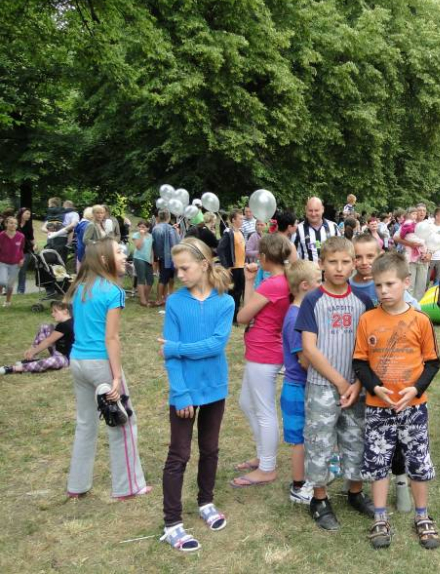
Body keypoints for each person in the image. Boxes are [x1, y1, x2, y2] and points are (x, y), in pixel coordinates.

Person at [353, 252, 440, 550]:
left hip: (413, 407)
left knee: (417, 460)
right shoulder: (367, 320)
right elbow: (360, 363)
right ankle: (380, 517)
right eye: (378, 286)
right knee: (378, 461)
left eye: (390, 284)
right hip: (379, 408)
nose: (384, 291)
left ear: (406, 282)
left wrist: (415, 390)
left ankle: (422, 515)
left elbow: (432, 363)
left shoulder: (421, 320)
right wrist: (375, 389)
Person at [157, 238, 234, 552]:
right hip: (185, 392)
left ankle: (206, 502)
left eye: (185, 268)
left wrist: (175, 347)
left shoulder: (224, 302)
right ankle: (172, 522)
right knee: (179, 455)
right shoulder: (175, 303)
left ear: (204, 265)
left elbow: (216, 345)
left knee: (210, 448)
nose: (180, 274)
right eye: (177, 268)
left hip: (215, 388)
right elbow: (172, 361)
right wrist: (181, 393)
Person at [295, 236, 375, 530]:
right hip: (322, 385)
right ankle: (319, 498)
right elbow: (309, 349)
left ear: (354, 264)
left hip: (356, 386)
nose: (339, 268)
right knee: (320, 440)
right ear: (321, 264)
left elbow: (368, 345)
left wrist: (355, 382)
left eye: (345, 262)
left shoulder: (363, 301)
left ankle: (355, 491)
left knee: (355, 437)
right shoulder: (313, 301)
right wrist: (340, 382)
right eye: (333, 262)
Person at [64, 237, 149, 500]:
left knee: (85, 423)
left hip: (77, 362)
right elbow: (111, 338)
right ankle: (128, 487)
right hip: (101, 365)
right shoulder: (113, 291)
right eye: (119, 252)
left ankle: (76, 486)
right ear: (104, 259)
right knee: (123, 422)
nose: (124, 256)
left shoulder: (81, 287)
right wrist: (116, 377)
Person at [350, 232, 419, 513]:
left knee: (398, 434)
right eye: (359, 256)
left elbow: (413, 319)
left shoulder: (399, 293)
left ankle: (401, 481)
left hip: (393, 377)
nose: (364, 262)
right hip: (361, 371)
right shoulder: (348, 287)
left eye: (371, 256)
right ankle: (362, 483)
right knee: (365, 432)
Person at [232, 235, 292, 487]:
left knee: (265, 411)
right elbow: (252, 308)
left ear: (265, 258)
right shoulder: (281, 281)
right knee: (247, 403)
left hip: (265, 353)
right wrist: (248, 280)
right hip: (261, 351)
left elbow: (243, 315)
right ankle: (263, 456)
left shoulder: (273, 284)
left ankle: (267, 467)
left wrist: (251, 288)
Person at [280, 260, 321, 504]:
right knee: (299, 440)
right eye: (319, 282)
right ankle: (298, 485)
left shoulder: (301, 312)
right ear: (305, 286)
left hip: (302, 387)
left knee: (308, 435)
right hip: (297, 388)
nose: (322, 286)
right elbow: (304, 359)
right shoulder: (296, 318)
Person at [0, 301, 74, 375]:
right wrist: (33, 350)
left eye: (55, 311)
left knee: (54, 361)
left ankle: (16, 368)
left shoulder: (65, 325)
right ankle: (32, 357)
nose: (52, 314)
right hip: (58, 351)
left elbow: (48, 341)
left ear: (65, 311)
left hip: (67, 358)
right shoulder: (68, 322)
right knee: (45, 326)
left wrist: (33, 352)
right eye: (52, 311)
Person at [395, 206, 430, 301]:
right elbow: (396, 237)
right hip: (410, 259)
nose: (422, 213)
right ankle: (409, 308)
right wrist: (410, 244)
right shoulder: (408, 224)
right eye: (419, 211)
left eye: (424, 211)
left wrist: (429, 254)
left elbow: (433, 242)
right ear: (414, 213)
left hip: (424, 259)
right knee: (409, 285)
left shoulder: (428, 224)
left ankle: (419, 310)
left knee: (421, 287)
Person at [216, 209, 245, 323]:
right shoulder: (229, 233)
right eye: (240, 218)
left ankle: (235, 316)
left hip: (241, 267)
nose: (242, 220)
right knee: (231, 293)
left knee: (239, 292)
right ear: (233, 220)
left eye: (242, 218)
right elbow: (220, 249)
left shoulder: (241, 233)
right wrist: (226, 266)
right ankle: (229, 317)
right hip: (233, 268)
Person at [293, 197, 339, 262]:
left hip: (329, 271)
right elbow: (292, 254)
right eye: (310, 210)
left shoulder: (333, 227)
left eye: (316, 210)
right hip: (307, 271)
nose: (313, 214)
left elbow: (341, 250)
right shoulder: (298, 229)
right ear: (306, 210)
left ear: (322, 209)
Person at [152, 209, 181, 308]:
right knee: (166, 278)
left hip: (159, 256)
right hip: (169, 257)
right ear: (168, 217)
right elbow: (176, 243)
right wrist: (177, 232)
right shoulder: (170, 228)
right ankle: (160, 299)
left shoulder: (155, 228)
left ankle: (165, 297)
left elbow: (154, 244)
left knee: (164, 278)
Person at [0, 216, 25, 308]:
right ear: (6, 224)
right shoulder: (1, 235)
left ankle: (7, 302)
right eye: (11, 223)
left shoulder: (21, 236)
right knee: (2, 281)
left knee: (10, 284)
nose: (13, 225)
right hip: (2, 262)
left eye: (15, 223)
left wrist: (22, 259)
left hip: (15, 263)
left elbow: (21, 249)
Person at [132, 221, 155, 307]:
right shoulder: (136, 235)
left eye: (144, 227)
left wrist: (152, 258)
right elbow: (138, 246)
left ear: (148, 228)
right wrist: (141, 235)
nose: (142, 228)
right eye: (140, 227)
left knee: (150, 280)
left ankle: (145, 297)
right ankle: (142, 300)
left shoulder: (150, 236)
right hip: (139, 258)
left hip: (147, 259)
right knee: (141, 278)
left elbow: (151, 248)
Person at [15, 207, 35, 294]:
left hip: (26, 250)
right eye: (27, 213)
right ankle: (5, 289)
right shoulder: (14, 223)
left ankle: (20, 290)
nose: (29, 216)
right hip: (13, 250)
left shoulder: (29, 226)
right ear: (21, 213)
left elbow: (31, 238)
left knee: (22, 271)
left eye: (29, 214)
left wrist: (35, 244)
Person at [74, 207, 94, 271]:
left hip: (80, 249)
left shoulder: (81, 224)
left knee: (80, 270)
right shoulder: (88, 225)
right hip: (86, 251)